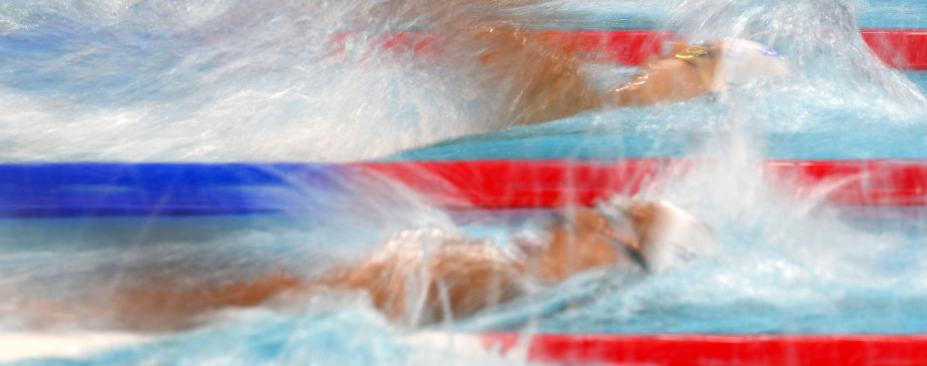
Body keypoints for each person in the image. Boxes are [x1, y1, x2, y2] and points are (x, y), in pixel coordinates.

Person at [73, 197, 714, 331]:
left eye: (614, 223)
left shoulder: (475, 277)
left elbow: (280, 299)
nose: (578, 213)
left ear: (629, 267)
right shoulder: (492, 279)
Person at [383, 0, 792, 127]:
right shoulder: (563, 82)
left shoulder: (558, 85)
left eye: (692, 56)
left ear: (696, 87)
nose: (673, 50)